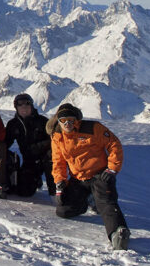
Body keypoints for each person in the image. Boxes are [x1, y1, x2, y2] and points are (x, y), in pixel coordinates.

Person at [51, 103, 131, 251]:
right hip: (78, 179)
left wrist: (112, 169)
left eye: (71, 120)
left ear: (76, 120)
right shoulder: (57, 137)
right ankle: (86, 201)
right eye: (63, 121)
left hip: (99, 176)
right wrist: (60, 182)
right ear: (58, 122)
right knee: (63, 210)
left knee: (106, 203)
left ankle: (118, 232)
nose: (67, 124)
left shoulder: (93, 128)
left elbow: (114, 144)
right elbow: (58, 161)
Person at [4, 93, 55, 197]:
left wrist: (38, 147)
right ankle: (36, 180)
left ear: (31, 106)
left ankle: (55, 192)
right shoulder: (13, 124)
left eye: (27, 104)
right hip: (30, 161)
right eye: (20, 105)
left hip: (46, 158)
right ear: (16, 107)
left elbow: (54, 141)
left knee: (50, 159)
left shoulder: (43, 121)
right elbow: (5, 142)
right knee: (24, 192)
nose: (24, 107)